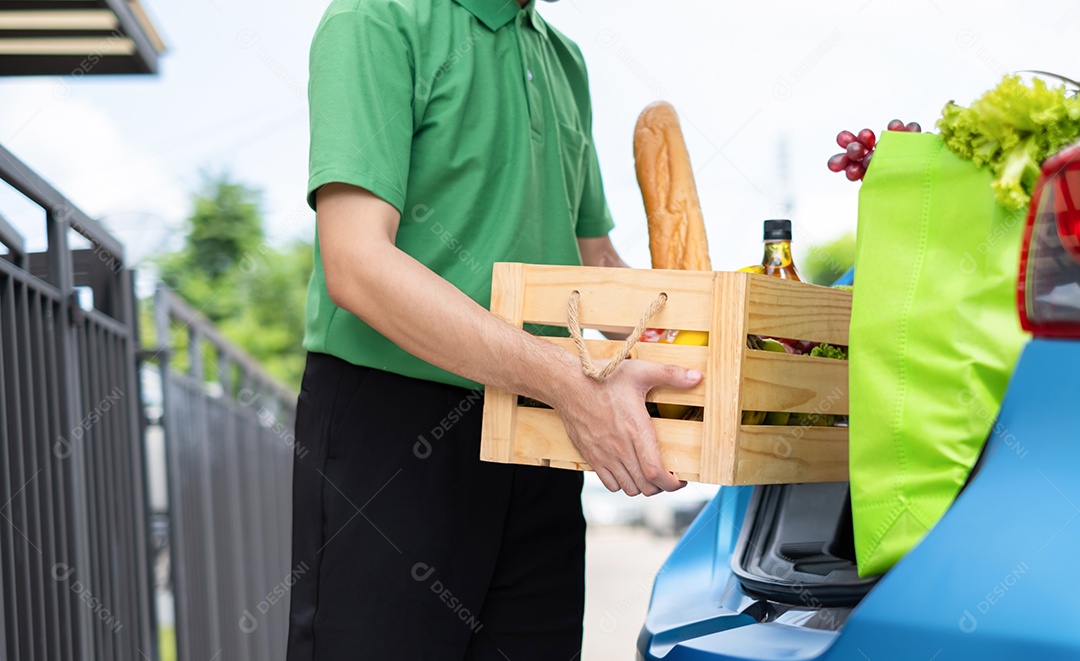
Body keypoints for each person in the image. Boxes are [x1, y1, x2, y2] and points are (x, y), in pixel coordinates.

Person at [286, 0, 702, 658]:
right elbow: (356, 263)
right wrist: (570, 382)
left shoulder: (563, 59)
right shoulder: (377, 18)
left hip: (543, 426)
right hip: (397, 429)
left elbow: (594, 265)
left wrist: (723, 335)